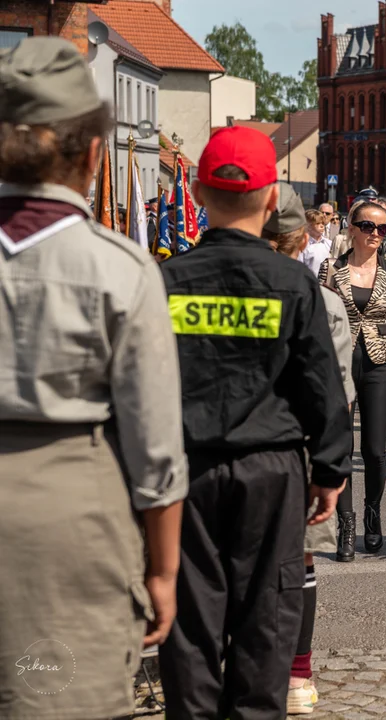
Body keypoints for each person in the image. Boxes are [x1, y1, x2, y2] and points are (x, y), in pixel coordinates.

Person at [0, 37, 187, 720]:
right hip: (69, 513)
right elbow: (156, 448)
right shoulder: (121, 269)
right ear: (91, 152)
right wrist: (163, 572)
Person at [157, 126, 351, 719]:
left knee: (190, 630)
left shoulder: (166, 279)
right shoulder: (294, 283)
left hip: (186, 473)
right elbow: (320, 383)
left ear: (194, 191)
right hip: (271, 473)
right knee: (265, 622)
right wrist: (329, 469)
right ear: (272, 200)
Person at [261, 182, 354, 715]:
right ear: (301, 238)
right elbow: (335, 388)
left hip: (239, 446)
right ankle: (297, 675)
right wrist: (332, 466)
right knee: (301, 560)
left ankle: (248, 665)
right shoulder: (325, 300)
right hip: (300, 446)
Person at [320, 201, 386, 557]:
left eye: (383, 229)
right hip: (339, 365)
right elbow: (320, 319)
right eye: (368, 226)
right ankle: (346, 525)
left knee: (374, 450)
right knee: (341, 447)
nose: (375, 234)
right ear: (351, 227)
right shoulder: (331, 268)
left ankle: (373, 515)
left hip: (378, 363)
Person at [299, 208, 332, 276]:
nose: (322, 226)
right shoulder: (303, 245)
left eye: (322, 223)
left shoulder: (329, 243)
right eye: (317, 223)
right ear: (308, 226)